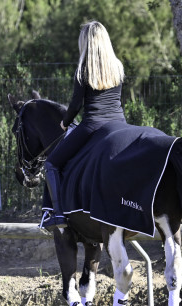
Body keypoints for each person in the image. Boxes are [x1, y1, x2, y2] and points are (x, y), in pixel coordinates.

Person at [42, 20, 126, 231]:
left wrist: (64, 123)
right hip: (119, 124)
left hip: (92, 125)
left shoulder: (84, 69)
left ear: (86, 42)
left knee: (51, 163)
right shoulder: (117, 66)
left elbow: (75, 104)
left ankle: (58, 214)